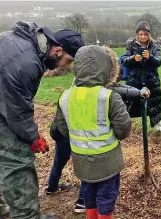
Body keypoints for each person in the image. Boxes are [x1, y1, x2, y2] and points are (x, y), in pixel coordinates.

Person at [0, 21, 85, 219]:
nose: (67, 66)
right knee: (16, 160)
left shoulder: (21, 44)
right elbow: (17, 110)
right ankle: (27, 216)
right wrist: (32, 137)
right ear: (57, 50)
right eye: (68, 60)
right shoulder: (27, 63)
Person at [47, 66, 150, 215]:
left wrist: (75, 137)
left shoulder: (70, 91)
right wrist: (139, 92)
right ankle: (81, 202)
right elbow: (123, 127)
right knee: (105, 193)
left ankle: (53, 188)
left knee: (76, 172)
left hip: (73, 140)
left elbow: (61, 124)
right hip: (101, 152)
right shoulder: (104, 94)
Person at [53, 45, 132, 219]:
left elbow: (62, 128)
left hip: (81, 159)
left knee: (89, 194)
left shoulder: (65, 96)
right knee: (106, 196)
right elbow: (124, 128)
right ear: (107, 68)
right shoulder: (108, 96)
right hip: (107, 159)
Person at [121, 21, 161, 133]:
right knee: (128, 103)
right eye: (140, 34)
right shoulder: (130, 45)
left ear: (149, 35)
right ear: (137, 34)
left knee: (156, 101)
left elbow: (159, 62)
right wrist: (133, 58)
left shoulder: (155, 46)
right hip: (134, 79)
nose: (143, 36)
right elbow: (123, 60)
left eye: (145, 34)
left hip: (151, 79)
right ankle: (124, 126)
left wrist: (150, 57)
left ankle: (159, 125)